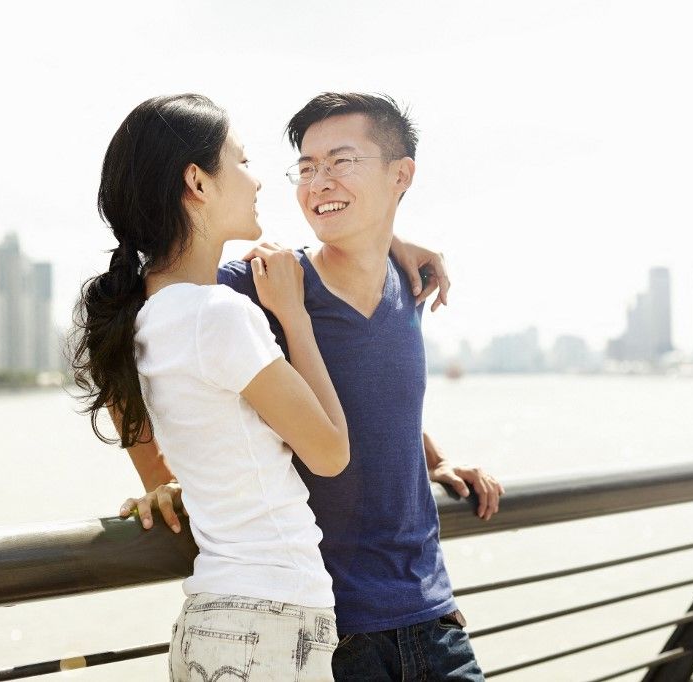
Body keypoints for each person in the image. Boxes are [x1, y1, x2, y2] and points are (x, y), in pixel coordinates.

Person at [124, 93, 505, 681]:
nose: (317, 181)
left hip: (433, 617)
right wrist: (159, 478)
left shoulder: (409, 282)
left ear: (401, 174)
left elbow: (377, 396)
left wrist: (437, 458)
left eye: (340, 162)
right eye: (305, 167)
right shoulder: (260, 286)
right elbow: (130, 348)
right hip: (325, 634)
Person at [72, 94, 353, 681]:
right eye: (243, 161)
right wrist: (293, 316)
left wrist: (158, 481)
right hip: (270, 622)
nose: (256, 181)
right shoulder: (216, 315)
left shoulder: (145, 316)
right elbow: (329, 452)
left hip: (216, 624)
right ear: (197, 181)